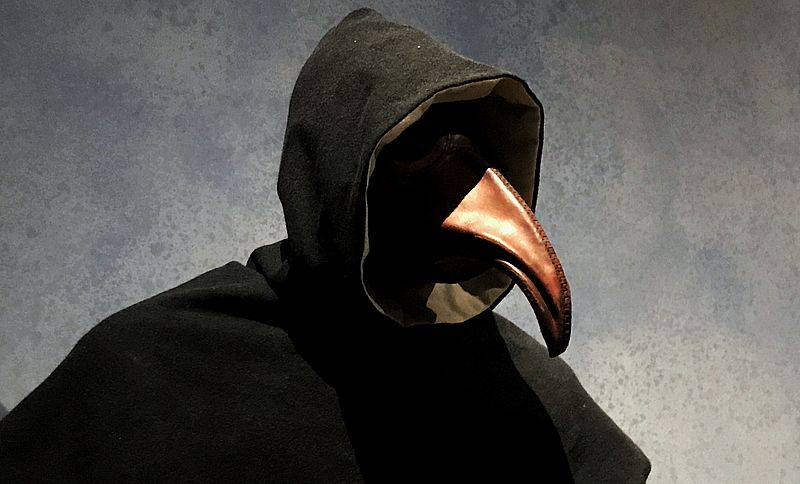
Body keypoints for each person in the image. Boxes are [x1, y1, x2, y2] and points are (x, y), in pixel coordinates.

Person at [0, 8, 650, 482]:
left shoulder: (530, 397)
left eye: (480, 150)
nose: (470, 186)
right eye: (416, 147)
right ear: (338, 165)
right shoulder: (153, 365)